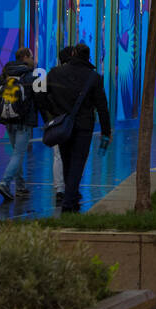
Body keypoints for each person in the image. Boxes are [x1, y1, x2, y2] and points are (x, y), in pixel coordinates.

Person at [39, 43, 111, 214]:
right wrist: (106, 131)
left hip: (62, 125)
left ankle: (69, 197)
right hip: (83, 127)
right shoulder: (94, 77)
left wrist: (52, 113)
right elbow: (102, 106)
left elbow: (41, 95)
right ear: (88, 56)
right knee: (78, 162)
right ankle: (69, 200)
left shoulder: (56, 73)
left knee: (67, 160)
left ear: (73, 54)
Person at [0, 47, 45, 201]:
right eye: (31, 56)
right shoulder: (30, 76)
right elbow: (39, 100)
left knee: (16, 155)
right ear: (25, 57)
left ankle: (20, 187)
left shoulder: (6, 74)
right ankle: (4, 183)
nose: (33, 59)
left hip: (8, 120)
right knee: (18, 155)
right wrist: (48, 119)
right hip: (24, 121)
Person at [52, 45, 74, 206]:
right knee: (74, 154)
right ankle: (71, 187)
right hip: (72, 119)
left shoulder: (53, 74)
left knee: (58, 155)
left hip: (57, 119)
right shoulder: (77, 75)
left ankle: (59, 188)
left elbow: (44, 96)